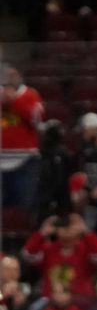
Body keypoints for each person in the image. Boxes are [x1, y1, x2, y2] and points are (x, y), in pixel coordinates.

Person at [22, 214, 97, 300]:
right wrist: (42, 233)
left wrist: (86, 231)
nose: (67, 229)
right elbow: (28, 255)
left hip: (81, 301)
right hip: (51, 301)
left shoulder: (86, 249)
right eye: (63, 226)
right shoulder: (47, 249)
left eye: (71, 225)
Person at [1, 65, 44, 210]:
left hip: (25, 159)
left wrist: (15, 101)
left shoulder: (30, 94)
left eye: (14, 74)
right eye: (8, 74)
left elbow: (37, 121)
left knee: (25, 206)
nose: (10, 77)